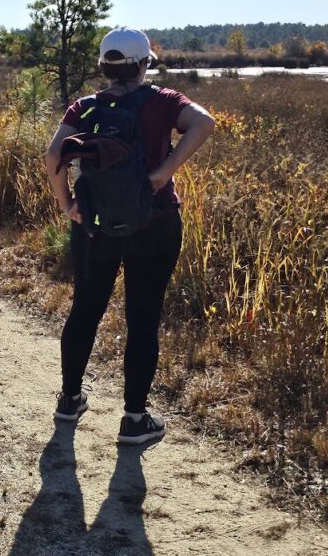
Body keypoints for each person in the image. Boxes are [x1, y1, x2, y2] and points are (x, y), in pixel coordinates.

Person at [45, 27, 215, 445]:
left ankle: (69, 401)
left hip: (95, 225)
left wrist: (68, 205)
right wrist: (163, 172)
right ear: (144, 64)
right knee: (142, 318)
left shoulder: (83, 107)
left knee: (85, 308)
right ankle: (134, 420)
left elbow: (53, 155)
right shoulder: (164, 101)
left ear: (104, 66)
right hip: (154, 222)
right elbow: (204, 123)